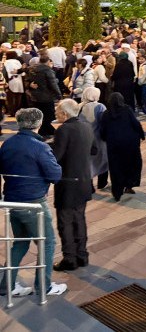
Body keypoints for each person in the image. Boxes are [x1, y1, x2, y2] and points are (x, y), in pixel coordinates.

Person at [0, 108, 67, 296]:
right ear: (38, 124)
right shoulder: (40, 147)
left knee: (20, 242)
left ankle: (7, 285)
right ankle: (43, 286)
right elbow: (55, 175)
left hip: (12, 201)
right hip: (33, 203)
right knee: (47, 243)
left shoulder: (7, 144)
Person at [51, 99, 94, 272]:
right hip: (84, 180)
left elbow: (57, 156)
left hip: (68, 183)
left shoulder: (64, 130)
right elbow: (94, 150)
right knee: (79, 218)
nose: (55, 114)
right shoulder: (86, 126)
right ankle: (82, 255)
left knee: (65, 222)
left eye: (57, 112)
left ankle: (69, 258)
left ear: (65, 114)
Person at [99, 93, 145, 202]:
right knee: (132, 165)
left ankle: (117, 192)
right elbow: (135, 123)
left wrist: (105, 139)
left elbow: (102, 130)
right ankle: (129, 186)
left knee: (116, 168)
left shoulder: (106, 114)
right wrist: (142, 134)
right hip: (130, 143)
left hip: (114, 145)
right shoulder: (127, 110)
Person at [78, 87, 108, 190]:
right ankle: (102, 183)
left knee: (88, 163)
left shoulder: (79, 106)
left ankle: (89, 186)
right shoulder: (100, 106)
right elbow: (104, 122)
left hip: (84, 139)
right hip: (98, 138)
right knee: (103, 161)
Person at [28, 55, 61, 137]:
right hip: (47, 97)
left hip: (35, 96)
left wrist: (29, 85)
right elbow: (53, 84)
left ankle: (44, 131)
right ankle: (47, 131)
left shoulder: (32, 69)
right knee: (49, 115)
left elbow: (28, 79)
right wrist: (59, 96)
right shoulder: (48, 70)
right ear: (48, 62)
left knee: (40, 115)